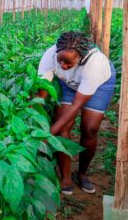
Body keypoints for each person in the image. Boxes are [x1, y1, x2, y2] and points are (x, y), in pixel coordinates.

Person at [37, 31, 116, 195]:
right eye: (61, 61)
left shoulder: (95, 64)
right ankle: (66, 176)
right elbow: (42, 92)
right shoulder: (50, 55)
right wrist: (33, 115)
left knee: (90, 128)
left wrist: (47, 134)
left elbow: (76, 106)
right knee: (62, 125)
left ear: (80, 57)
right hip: (68, 83)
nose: (63, 66)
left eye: (68, 63)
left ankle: (82, 173)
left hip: (100, 84)